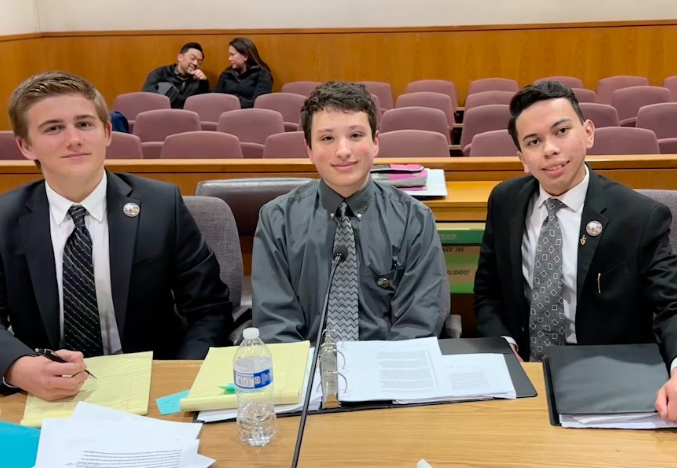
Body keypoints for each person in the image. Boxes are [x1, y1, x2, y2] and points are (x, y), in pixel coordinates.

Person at [1, 71, 233, 401]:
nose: (73, 139)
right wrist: (17, 368)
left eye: (84, 124)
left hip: (153, 385)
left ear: (108, 133)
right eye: (54, 128)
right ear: (25, 146)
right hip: (47, 392)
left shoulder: (161, 206)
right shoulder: (4, 220)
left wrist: (179, 381)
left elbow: (209, 309)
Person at [472, 80, 677, 421]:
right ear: (522, 158)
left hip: (609, 380)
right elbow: (487, 293)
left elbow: (672, 305)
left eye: (561, 131)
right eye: (534, 142)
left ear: (588, 133)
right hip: (526, 376)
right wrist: (503, 345)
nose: (550, 149)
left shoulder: (639, 216)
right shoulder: (505, 201)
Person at [252, 81, 449, 343]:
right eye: (327, 138)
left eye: (356, 135)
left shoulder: (414, 219)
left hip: (387, 370)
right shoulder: (277, 220)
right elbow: (275, 323)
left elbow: (418, 322)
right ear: (309, 149)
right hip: (305, 370)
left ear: (376, 142)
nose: (343, 151)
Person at [142, 42, 209, 109]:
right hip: (160, 114)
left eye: (199, 62)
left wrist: (204, 82)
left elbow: (204, 104)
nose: (195, 63)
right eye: (192, 58)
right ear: (180, 57)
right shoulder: (161, 73)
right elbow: (147, 93)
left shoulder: (199, 82)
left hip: (185, 117)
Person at [213, 38, 273, 108]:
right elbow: (217, 98)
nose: (229, 59)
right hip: (227, 113)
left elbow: (257, 103)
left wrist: (234, 100)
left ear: (245, 56)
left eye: (232, 55)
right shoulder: (227, 74)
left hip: (251, 115)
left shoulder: (262, 75)